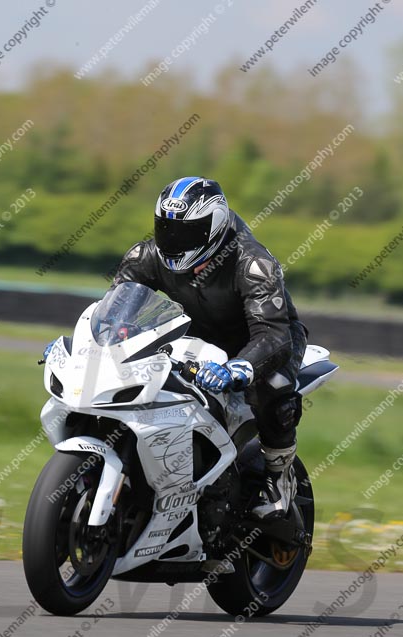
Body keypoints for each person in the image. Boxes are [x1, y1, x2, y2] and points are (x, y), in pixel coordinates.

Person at [109, 177, 308, 520]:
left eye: (186, 233)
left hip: (263, 341)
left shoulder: (253, 264)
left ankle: (279, 476)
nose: (173, 241)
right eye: (166, 229)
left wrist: (241, 367)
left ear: (213, 230)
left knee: (271, 386)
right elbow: (114, 312)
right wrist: (93, 342)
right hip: (195, 336)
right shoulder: (145, 256)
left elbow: (273, 334)